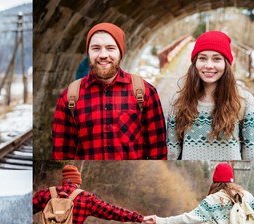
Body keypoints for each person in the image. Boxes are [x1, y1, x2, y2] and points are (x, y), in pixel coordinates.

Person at [51, 22, 167, 161]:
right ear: (88, 53)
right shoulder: (69, 97)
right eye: (96, 48)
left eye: (110, 48)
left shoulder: (145, 92)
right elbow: (61, 155)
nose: (103, 55)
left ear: (121, 52)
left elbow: (158, 152)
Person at [166, 31, 254, 163]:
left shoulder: (244, 101)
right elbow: (171, 151)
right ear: (195, 63)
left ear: (226, 64)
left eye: (216, 59)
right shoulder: (178, 101)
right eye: (202, 58)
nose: (208, 65)